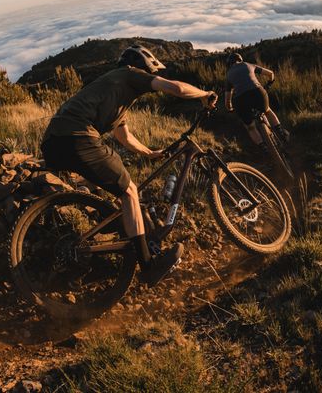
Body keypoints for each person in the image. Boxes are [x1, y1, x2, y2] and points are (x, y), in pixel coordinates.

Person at [40, 44, 217, 287]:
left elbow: (123, 136)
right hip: (78, 136)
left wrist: (149, 153)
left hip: (54, 142)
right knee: (130, 191)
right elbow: (175, 88)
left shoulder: (115, 90)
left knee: (117, 188)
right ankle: (148, 265)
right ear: (143, 66)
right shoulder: (129, 74)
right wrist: (204, 94)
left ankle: (122, 246)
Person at [224, 53, 288, 151]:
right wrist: (269, 83)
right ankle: (280, 131)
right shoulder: (248, 65)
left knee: (250, 127)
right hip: (257, 93)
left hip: (241, 100)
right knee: (267, 110)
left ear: (229, 64)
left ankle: (263, 147)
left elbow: (228, 100)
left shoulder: (228, 75)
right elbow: (270, 73)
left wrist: (230, 108)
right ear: (240, 60)